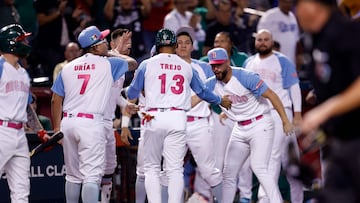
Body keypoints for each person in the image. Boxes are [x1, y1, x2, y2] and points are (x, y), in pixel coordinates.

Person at [126, 28, 231, 203]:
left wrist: (137, 88)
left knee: (152, 168)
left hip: (154, 117)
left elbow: (131, 94)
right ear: (175, 45)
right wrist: (220, 99)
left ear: (157, 45)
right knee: (175, 169)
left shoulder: (147, 64)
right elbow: (203, 92)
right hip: (177, 117)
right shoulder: (185, 66)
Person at [51, 25, 135, 203]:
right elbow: (133, 63)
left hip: (68, 123)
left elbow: (55, 100)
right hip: (91, 124)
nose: (106, 44)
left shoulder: (68, 67)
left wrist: (57, 127)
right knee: (91, 176)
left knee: (73, 176)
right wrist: (113, 53)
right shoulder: (109, 63)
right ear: (95, 46)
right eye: (103, 42)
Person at [204, 47, 293, 203]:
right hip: (240, 127)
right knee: (229, 173)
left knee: (259, 167)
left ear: (226, 62)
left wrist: (285, 120)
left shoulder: (245, 76)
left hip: (260, 123)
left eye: (218, 64)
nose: (215, 68)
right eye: (213, 65)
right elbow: (196, 97)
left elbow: (272, 95)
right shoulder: (212, 83)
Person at [295, 0, 360, 202]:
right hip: (342, 142)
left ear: (310, 6)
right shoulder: (313, 40)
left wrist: (326, 110)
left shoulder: (349, 33)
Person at [243, 29, 303, 203]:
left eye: (266, 39)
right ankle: (267, 198)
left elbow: (294, 87)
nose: (262, 42)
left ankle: (268, 199)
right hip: (259, 114)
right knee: (279, 158)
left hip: (281, 113)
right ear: (255, 42)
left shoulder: (282, 61)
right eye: (259, 39)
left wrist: (297, 114)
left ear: (272, 41)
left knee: (279, 158)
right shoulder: (249, 63)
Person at [0, 23, 50, 203]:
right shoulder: (0, 67)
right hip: (1, 129)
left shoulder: (22, 72)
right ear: (11, 42)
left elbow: (27, 107)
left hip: (19, 134)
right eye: (22, 39)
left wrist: (40, 131)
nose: (26, 42)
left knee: (21, 191)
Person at [99, 28, 138, 203]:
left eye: (130, 45)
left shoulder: (120, 69)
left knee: (109, 167)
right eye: (124, 44)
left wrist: (125, 104)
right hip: (94, 121)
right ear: (112, 44)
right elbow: (132, 62)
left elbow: (114, 95)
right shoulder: (103, 61)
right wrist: (114, 52)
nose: (127, 47)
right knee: (93, 170)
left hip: (106, 121)